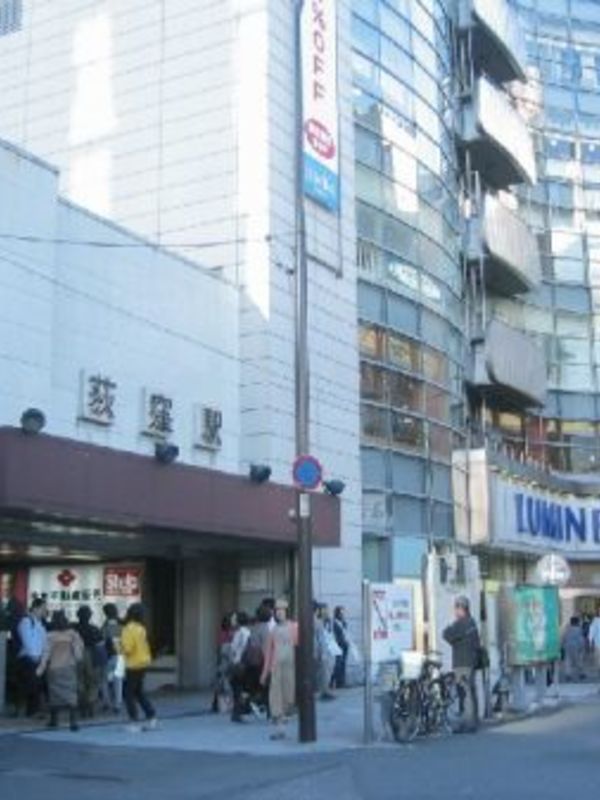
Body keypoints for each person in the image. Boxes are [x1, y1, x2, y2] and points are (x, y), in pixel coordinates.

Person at [37, 610, 83, 731]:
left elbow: (45, 654)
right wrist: (77, 660)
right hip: (69, 667)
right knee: (71, 694)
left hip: (54, 668)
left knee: (54, 695)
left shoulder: (50, 636)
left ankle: (54, 721)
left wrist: (40, 669)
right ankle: (73, 722)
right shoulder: (73, 635)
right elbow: (78, 654)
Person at [260, 599, 298, 740]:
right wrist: (265, 673)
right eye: (277, 610)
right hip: (276, 668)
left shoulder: (294, 627)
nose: (279, 613)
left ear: (287, 612)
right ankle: (279, 728)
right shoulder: (273, 631)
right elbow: (268, 654)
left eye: (282, 610)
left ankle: (284, 719)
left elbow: (300, 648)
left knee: (288, 697)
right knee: (276, 698)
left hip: (290, 668)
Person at [443, 596, 480, 733]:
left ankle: (468, 723)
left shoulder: (461, 623)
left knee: (465, 694)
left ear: (461, 608)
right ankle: (473, 721)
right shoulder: (472, 623)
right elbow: (476, 643)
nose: (455, 611)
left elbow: (446, 634)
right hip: (471, 662)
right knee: (471, 692)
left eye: (456, 608)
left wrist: (450, 627)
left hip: (461, 663)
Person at [121, 603, 157, 732]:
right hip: (143, 662)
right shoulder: (141, 628)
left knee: (128, 693)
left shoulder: (128, 629)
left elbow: (128, 649)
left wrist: (117, 647)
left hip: (132, 664)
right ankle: (151, 717)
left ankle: (134, 721)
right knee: (138, 692)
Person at [16, 597, 48, 717]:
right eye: (42, 608)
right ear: (35, 608)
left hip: (38, 659)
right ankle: (25, 709)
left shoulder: (40, 624)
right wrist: (34, 656)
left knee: (36, 685)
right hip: (28, 659)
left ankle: (33, 710)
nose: (44, 611)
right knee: (30, 684)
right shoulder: (26, 622)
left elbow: (44, 642)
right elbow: (27, 641)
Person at [74, 605, 104, 718]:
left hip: (77, 656)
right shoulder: (94, 629)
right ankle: (90, 704)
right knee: (93, 682)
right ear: (90, 616)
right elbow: (101, 644)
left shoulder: (74, 629)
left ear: (78, 616)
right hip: (92, 656)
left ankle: (82, 704)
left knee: (79, 680)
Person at [229, 611, 251, 723]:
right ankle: (239, 712)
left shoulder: (239, 633)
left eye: (234, 618)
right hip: (245, 663)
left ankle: (238, 712)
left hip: (238, 663)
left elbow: (233, 648)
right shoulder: (247, 631)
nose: (231, 620)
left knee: (237, 689)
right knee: (240, 688)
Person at [102, 603, 123, 714]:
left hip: (110, 655)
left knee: (104, 680)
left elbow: (104, 640)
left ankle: (107, 702)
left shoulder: (108, 624)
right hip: (119, 655)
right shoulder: (121, 623)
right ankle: (117, 704)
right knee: (118, 681)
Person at [211, 615, 233, 713]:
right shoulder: (225, 634)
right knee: (222, 683)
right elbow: (220, 648)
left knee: (222, 683)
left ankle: (220, 703)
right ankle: (219, 703)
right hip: (224, 661)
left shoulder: (226, 633)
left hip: (225, 660)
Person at [314, 603, 335, 701]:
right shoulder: (317, 622)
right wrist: (323, 653)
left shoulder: (327, 621)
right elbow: (321, 639)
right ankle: (324, 691)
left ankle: (323, 690)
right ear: (318, 610)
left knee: (323, 671)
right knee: (323, 671)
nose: (325, 611)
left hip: (321, 649)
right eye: (323, 609)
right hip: (319, 650)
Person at [562, 616, 586, 681]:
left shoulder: (567, 629)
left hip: (568, 646)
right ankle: (581, 674)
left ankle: (568, 674)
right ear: (577, 622)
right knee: (578, 661)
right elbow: (581, 639)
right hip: (577, 647)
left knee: (568, 661)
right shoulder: (579, 630)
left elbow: (563, 638)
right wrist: (582, 647)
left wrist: (563, 646)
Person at [331, 606, 349, 689]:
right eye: (341, 613)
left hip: (345, 644)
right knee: (338, 664)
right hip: (339, 645)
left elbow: (346, 633)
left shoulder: (343, 622)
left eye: (343, 613)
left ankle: (341, 683)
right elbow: (335, 635)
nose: (342, 615)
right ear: (337, 613)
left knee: (343, 664)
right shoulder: (334, 623)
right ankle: (332, 681)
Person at [588, 608, 600, 677]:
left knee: (598, 659)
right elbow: (591, 631)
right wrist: (590, 641)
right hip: (598, 644)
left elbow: (591, 631)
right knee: (598, 659)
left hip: (598, 644)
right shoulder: (595, 621)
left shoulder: (595, 621)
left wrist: (590, 641)